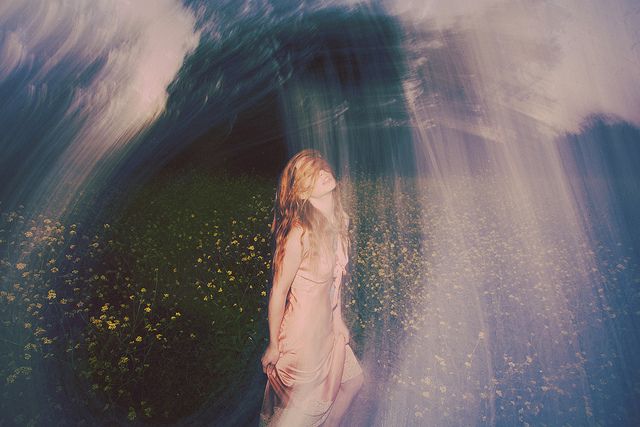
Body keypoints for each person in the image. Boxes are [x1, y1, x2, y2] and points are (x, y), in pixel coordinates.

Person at [260, 149, 364, 426]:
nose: (322, 173)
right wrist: (273, 343)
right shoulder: (299, 234)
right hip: (303, 339)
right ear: (302, 194)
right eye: (311, 175)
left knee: (354, 383)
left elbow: (334, 282)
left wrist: (338, 320)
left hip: (327, 329)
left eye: (321, 167)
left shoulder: (338, 223)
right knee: (309, 412)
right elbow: (278, 292)